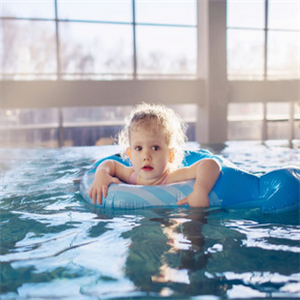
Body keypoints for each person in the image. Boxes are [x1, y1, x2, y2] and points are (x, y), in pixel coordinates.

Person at [89, 103, 221, 207]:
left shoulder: (170, 178)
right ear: (129, 154)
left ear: (170, 154)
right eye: (139, 148)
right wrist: (101, 175)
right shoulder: (131, 176)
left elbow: (210, 164)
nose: (146, 156)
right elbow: (109, 163)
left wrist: (200, 191)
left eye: (155, 147)